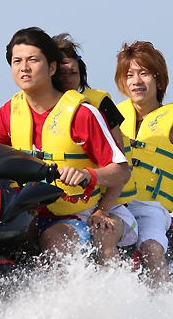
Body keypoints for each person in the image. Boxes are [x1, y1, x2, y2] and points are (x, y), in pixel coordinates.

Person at [0, 27, 130, 259]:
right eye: (17, 61)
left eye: (33, 60)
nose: (24, 67)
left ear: (52, 68)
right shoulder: (10, 112)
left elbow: (121, 171)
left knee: (54, 240)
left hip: (78, 215)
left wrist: (87, 175)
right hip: (27, 215)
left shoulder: (82, 114)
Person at [114, 41, 173, 286]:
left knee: (151, 246)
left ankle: (161, 299)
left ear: (159, 79)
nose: (136, 81)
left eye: (144, 73)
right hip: (115, 200)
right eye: (129, 75)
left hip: (150, 208)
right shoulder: (111, 119)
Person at [52, 33, 138, 262]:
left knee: (104, 233)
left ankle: (116, 281)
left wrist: (102, 210)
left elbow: (119, 164)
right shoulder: (35, 113)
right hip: (63, 209)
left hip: (109, 204)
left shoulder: (98, 106)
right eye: (62, 74)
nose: (69, 79)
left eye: (74, 73)